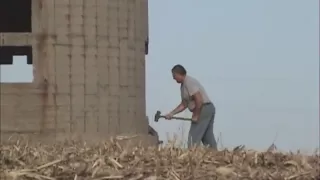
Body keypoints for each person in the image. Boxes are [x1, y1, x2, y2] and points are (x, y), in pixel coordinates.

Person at [164, 64, 217, 149]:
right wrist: (171, 114)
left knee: (193, 139)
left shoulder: (189, 82)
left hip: (204, 108)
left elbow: (199, 99)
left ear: (179, 73)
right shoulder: (183, 86)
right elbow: (184, 104)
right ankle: (216, 156)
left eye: (174, 75)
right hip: (208, 108)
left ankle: (192, 155)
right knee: (207, 137)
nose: (173, 78)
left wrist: (196, 115)